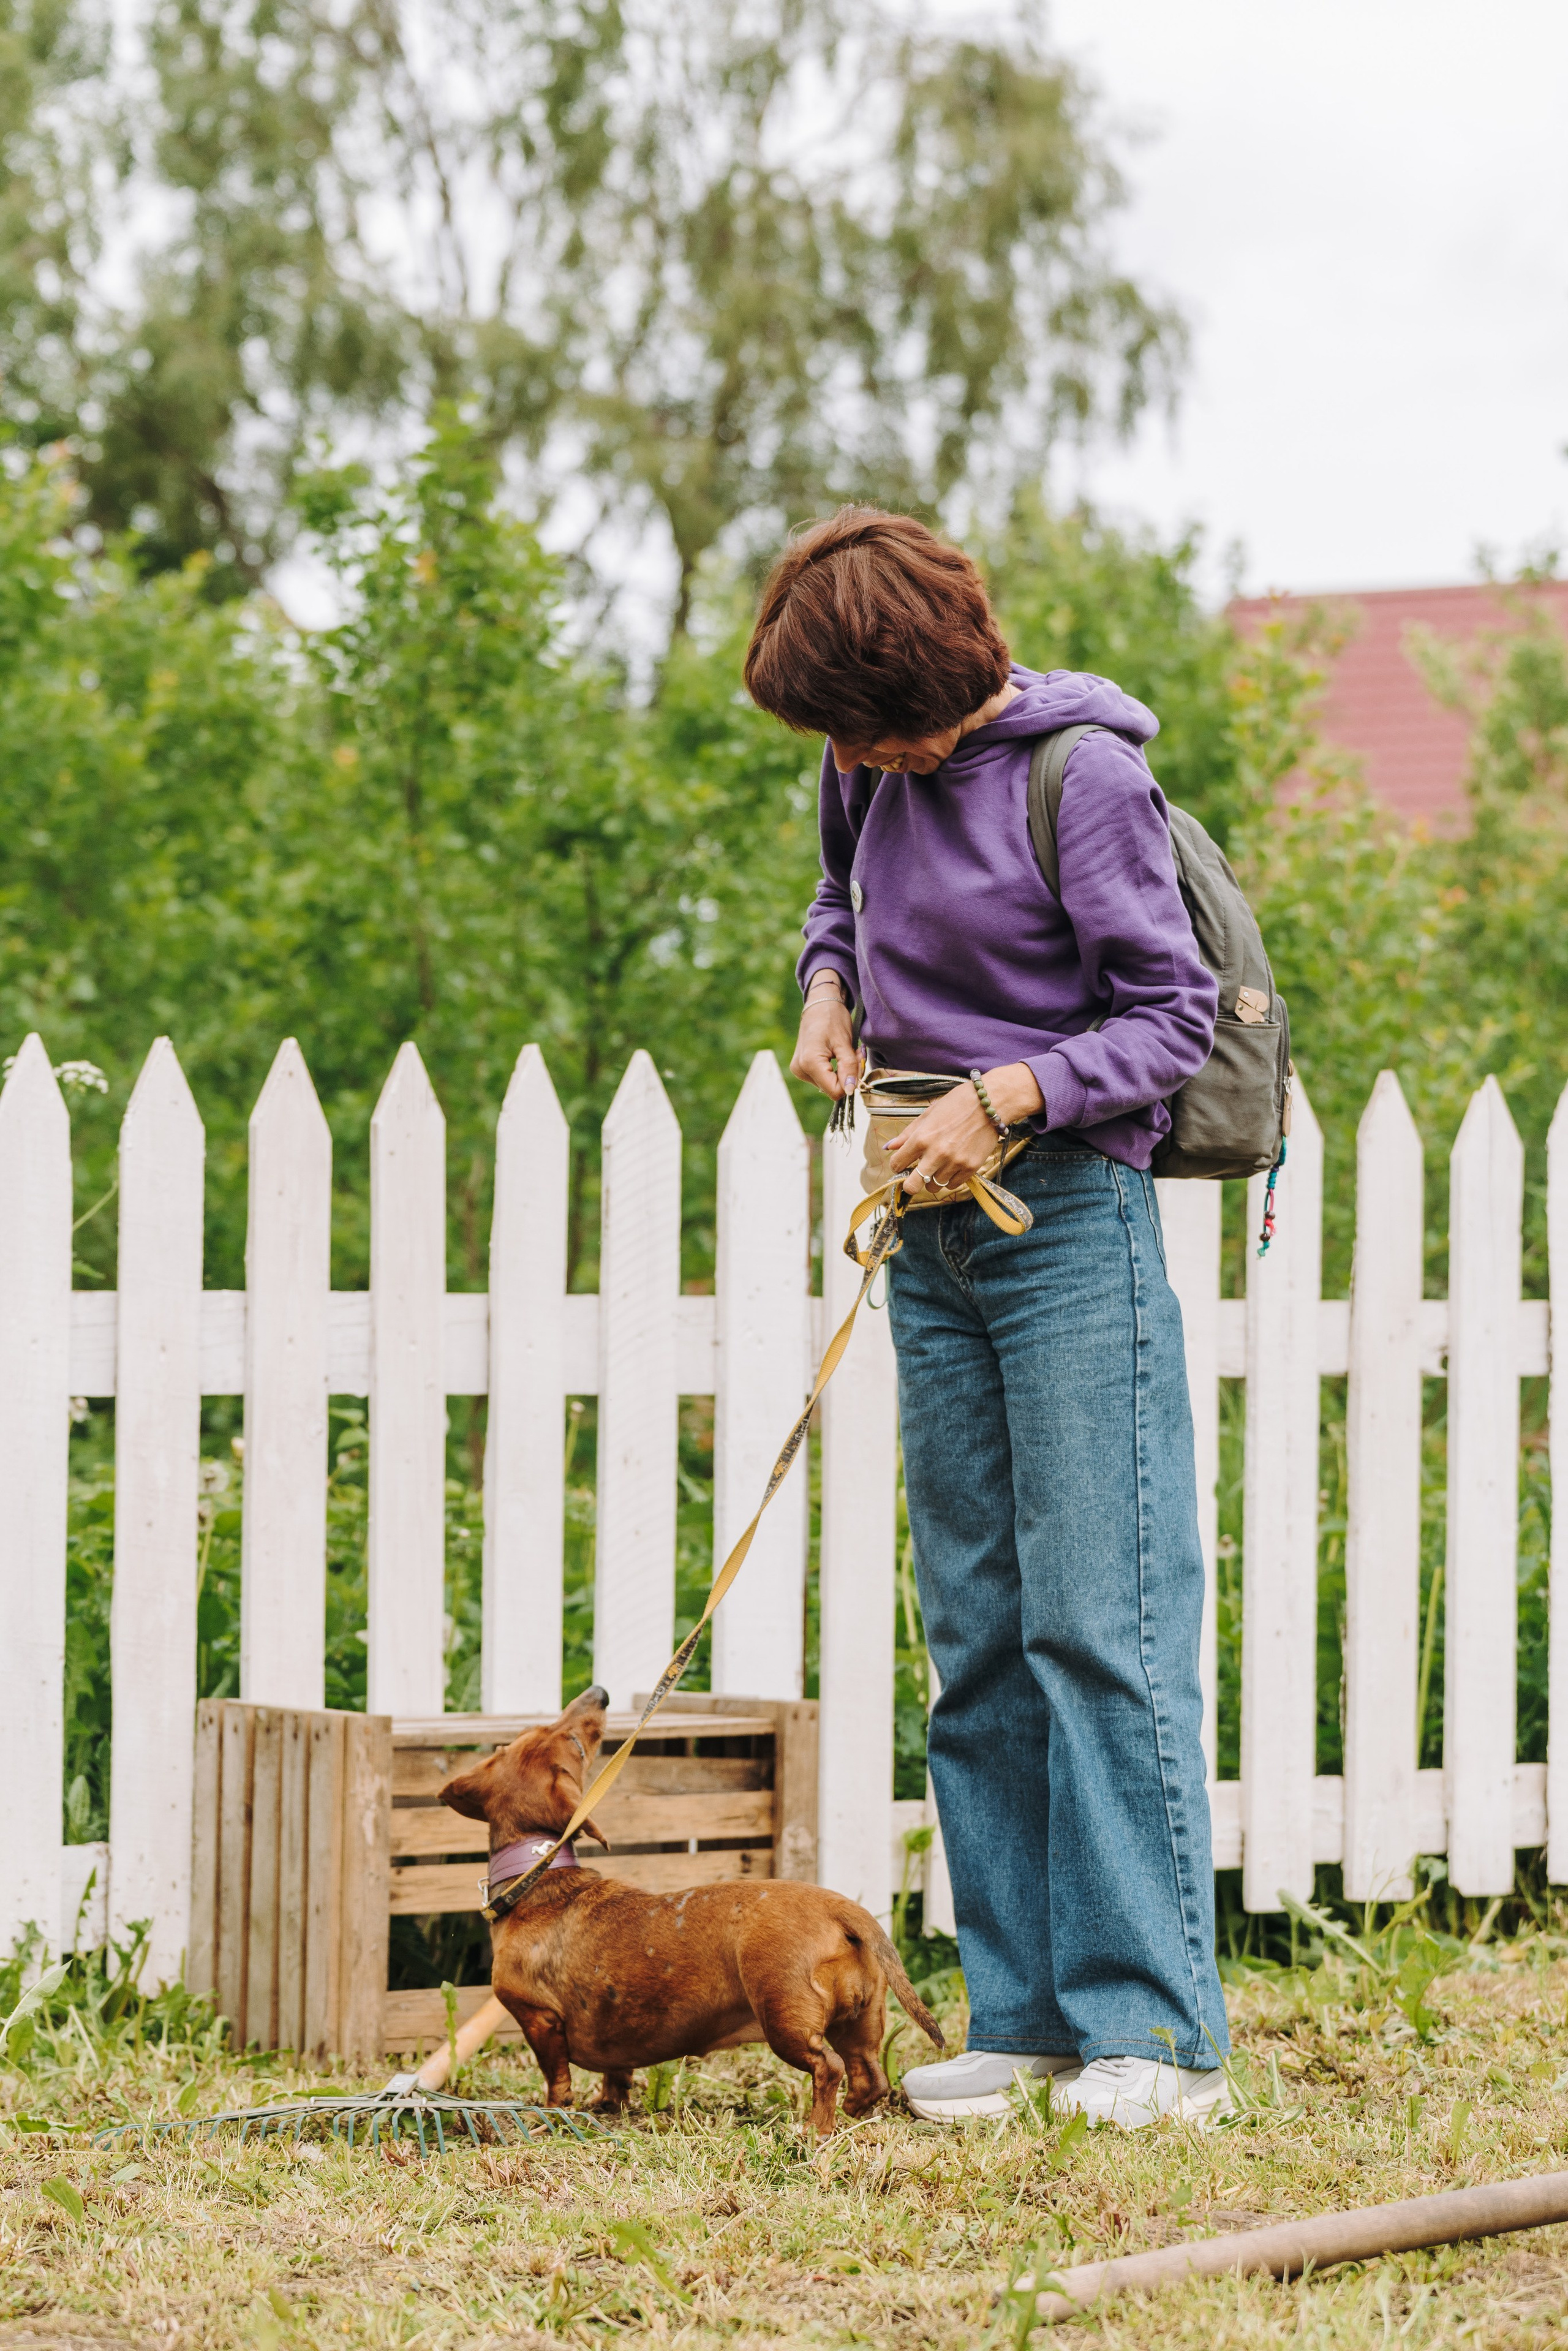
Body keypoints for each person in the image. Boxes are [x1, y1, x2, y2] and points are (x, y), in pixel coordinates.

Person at [744, 507, 1231, 2130]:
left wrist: (1009, 1096)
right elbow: (838, 902)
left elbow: (1168, 1016)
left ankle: (1153, 2042)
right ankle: (1023, 2020)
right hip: (931, 1238)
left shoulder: (1081, 778)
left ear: (927, 681)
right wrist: (827, 986)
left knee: (1101, 1629)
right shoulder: (862, 766)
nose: (853, 761)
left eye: (864, 728)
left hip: (1069, 1225)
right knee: (977, 1645)